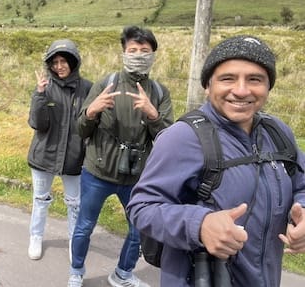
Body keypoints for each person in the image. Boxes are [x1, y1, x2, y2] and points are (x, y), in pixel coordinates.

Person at [128, 35, 305, 286]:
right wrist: (200, 224)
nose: (242, 90)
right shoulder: (183, 137)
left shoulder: (278, 133)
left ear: (268, 86)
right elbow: (141, 207)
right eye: (227, 78)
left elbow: (300, 183)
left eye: (255, 79)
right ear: (208, 86)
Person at [67, 26, 174, 287]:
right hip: (97, 172)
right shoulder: (106, 83)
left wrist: (153, 116)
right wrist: (91, 111)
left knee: (139, 230)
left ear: (153, 55)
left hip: (138, 176)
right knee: (84, 226)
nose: (138, 55)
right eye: (132, 50)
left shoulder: (159, 93)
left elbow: (169, 141)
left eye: (144, 51)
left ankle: (123, 274)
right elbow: (80, 128)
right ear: (124, 53)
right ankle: (76, 272)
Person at [27, 39, 92, 260]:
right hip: (44, 155)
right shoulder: (45, 87)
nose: (59, 66)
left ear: (73, 62)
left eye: (64, 61)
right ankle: (35, 236)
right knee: (40, 199)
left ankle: (75, 240)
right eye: (55, 62)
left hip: (74, 157)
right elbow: (38, 124)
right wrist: (39, 95)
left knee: (75, 203)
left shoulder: (87, 89)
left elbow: (91, 123)